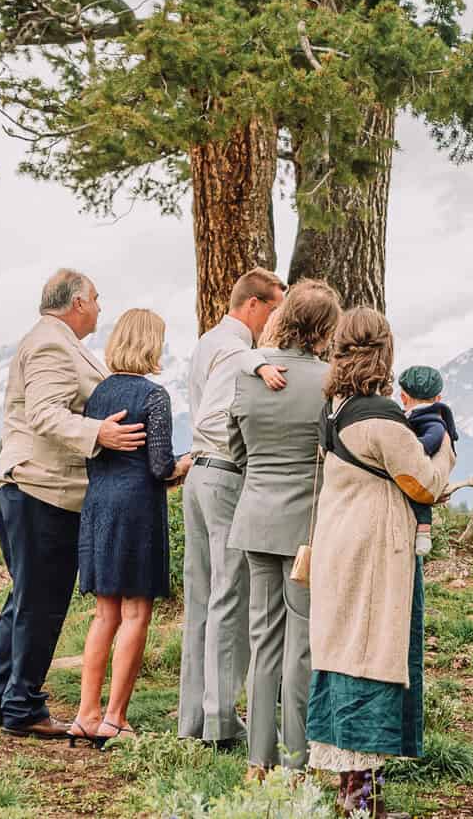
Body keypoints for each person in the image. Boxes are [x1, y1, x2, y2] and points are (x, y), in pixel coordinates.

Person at [0, 269, 145, 739]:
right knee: (42, 603)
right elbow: (45, 414)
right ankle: (22, 707)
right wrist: (99, 433)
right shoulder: (51, 345)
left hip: (30, 488)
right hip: (39, 488)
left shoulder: (58, 342)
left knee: (27, 597)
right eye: (98, 299)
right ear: (79, 301)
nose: (101, 308)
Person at [306, 308, 455, 815]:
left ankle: (351, 794)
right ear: (384, 353)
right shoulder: (382, 418)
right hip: (372, 551)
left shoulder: (337, 405)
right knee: (371, 658)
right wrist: (447, 446)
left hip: (338, 543)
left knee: (344, 653)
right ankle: (361, 803)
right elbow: (425, 484)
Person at [228, 278, 340, 780]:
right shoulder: (328, 382)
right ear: (324, 329)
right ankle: (296, 761)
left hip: (254, 517)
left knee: (262, 639)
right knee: (301, 644)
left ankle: (258, 760)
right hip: (304, 528)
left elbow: (236, 452)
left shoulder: (251, 377)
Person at [70, 309, 190, 746]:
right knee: (136, 612)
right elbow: (159, 467)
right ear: (151, 344)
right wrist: (186, 466)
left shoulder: (97, 394)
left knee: (105, 614)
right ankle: (115, 717)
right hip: (137, 509)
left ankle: (86, 712)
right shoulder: (154, 396)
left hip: (98, 504)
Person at [179, 267, 284, 749]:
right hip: (223, 474)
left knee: (201, 598)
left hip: (197, 475)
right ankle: (221, 721)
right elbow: (214, 415)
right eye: (274, 310)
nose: (274, 321)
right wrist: (248, 459)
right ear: (254, 305)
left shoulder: (207, 342)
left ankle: (192, 718)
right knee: (230, 595)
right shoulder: (240, 350)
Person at [397, 366, 454, 557]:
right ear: (438, 398)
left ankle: (424, 532)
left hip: (416, 477)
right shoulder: (436, 422)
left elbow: (425, 445)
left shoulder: (431, 423)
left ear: (403, 397)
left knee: (421, 502)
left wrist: (406, 447)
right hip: (419, 482)